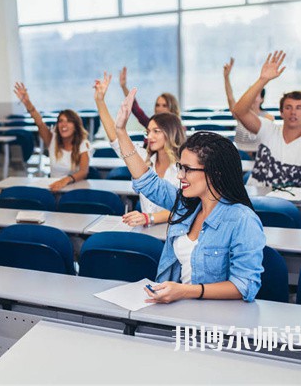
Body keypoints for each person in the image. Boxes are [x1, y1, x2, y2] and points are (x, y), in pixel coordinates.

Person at [114, 88, 265, 304]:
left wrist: (186, 291)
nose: (181, 176)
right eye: (180, 168)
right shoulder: (187, 205)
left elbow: (245, 285)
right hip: (177, 308)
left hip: (215, 320)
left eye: (188, 170)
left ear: (215, 173)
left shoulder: (243, 220)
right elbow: (147, 181)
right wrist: (121, 130)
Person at [232, 51, 301, 207]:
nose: (293, 112)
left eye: (299, 108)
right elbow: (239, 111)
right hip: (252, 201)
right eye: (288, 107)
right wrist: (263, 79)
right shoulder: (268, 128)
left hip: (287, 204)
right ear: (281, 112)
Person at [94, 72, 186, 227]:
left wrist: (149, 217)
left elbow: (188, 207)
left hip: (176, 231)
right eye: (148, 131)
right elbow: (116, 139)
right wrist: (100, 101)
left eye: (156, 131)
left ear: (171, 133)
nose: (149, 136)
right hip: (148, 230)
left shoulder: (185, 165)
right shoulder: (144, 157)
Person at [13, 82, 90, 191]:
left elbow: (83, 172)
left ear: (76, 126)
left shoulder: (83, 143)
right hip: (54, 187)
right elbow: (39, 122)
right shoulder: (52, 140)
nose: (63, 125)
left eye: (68, 121)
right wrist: (27, 103)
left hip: (75, 188)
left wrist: (66, 180)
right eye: (61, 121)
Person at [223, 57, 275, 154]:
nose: (252, 98)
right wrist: (226, 77)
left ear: (262, 99)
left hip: (257, 158)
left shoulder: (268, 117)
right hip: (239, 156)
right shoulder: (239, 113)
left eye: (256, 95)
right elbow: (230, 98)